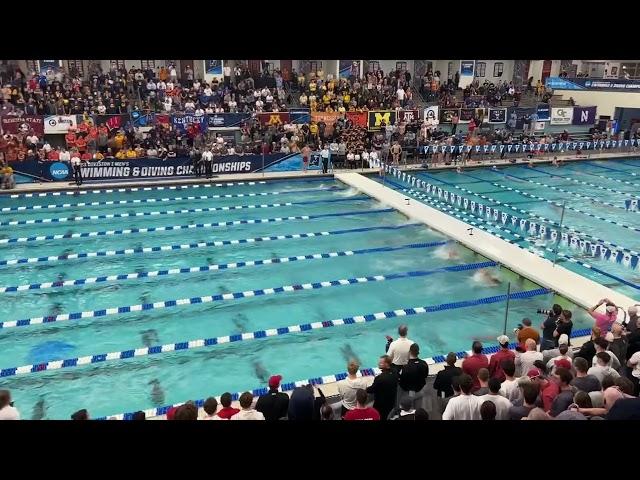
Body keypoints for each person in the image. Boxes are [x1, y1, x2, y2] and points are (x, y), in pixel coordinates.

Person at [366, 355, 398, 421]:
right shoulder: (395, 372)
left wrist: (364, 389)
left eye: (381, 363)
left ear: (386, 364)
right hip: (391, 402)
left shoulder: (380, 378)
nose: (378, 363)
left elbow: (371, 389)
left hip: (380, 405)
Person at [398, 343, 430, 409]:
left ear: (409, 352)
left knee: (410, 404)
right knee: (418, 405)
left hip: (409, 391)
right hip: (420, 388)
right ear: (418, 352)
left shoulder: (405, 366)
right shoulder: (424, 364)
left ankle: (409, 409)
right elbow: (425, 376)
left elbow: (401, 381)